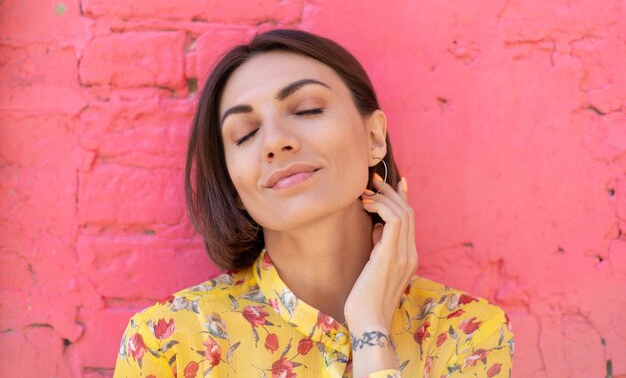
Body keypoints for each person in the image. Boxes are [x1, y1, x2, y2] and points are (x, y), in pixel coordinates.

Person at [112, 28, 514, 378]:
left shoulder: (466, 332)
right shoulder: (170, 341)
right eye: (246, 134)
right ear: (233, 181)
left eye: (308, 109)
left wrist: (371, 329)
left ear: (374, 137)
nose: (274, 142)